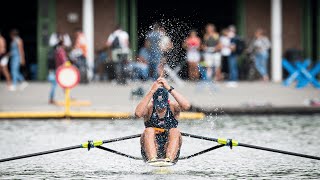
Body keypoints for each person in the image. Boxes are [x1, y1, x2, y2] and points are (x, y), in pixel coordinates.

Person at [135, 77, 191, 164]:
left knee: (175, 131)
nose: (160, 108)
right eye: (158, 105)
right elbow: (138, 114)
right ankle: (152, 159)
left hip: (170, 147)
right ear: (153, 102)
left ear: (167, 101)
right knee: (148, 130)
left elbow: (187, 106)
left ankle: (169, 159)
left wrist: (169, 88)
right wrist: (151, 91)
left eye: (163, 105)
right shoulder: (149, 108)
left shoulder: (173, 107)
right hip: (150, 146)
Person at [48, 39, 68, 104]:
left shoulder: (56, 50)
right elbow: (64, 61)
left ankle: (67, 97)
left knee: (63, 84)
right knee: (59, 84)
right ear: (62, 45)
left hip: (56, 69)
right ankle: (51, 99)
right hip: (60, 70)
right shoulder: (61, 51)